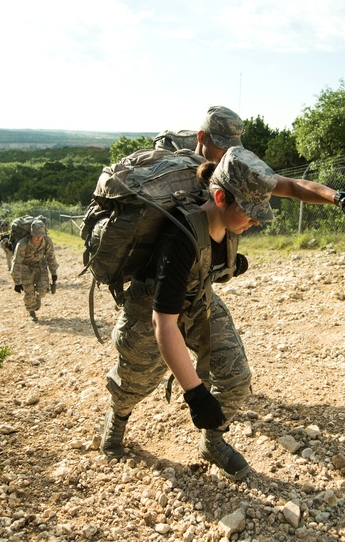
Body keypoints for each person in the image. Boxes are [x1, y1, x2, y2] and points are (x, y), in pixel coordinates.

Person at [100, 147, 274, 481]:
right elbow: (163, 323)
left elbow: (210, 265)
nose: (254, 220)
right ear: (221, 197)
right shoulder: (179, 236)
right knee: (135, 383)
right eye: (249, 212)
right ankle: (117, 419)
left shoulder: (229, 226)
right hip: (152, 307)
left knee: (236, 377)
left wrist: (232, 266)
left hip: (198, 299)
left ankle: (212, 441)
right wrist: (195, 393)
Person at [155, 105, 345, 226]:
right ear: (202, 137)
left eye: (231, 146)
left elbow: (293, 186)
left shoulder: (235, 168)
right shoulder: (176, 170)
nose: (226, 152)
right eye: (221, 145)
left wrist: (339, 198)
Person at [10, 220, 58, 322]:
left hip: (41, 266)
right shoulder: (22, 244)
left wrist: (54, 272)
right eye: (36, 235)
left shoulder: (47, 241)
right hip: (25, 268)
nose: (38, 238)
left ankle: (38, 298)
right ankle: (31, 312)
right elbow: (16, 262)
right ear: (31, 233)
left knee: (43, 290)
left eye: (41, 235)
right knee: (29, 292)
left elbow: (51, 257)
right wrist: (17, 282)